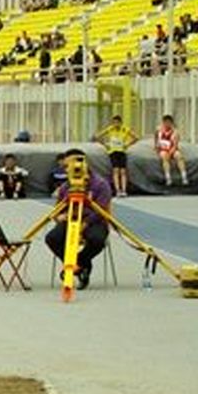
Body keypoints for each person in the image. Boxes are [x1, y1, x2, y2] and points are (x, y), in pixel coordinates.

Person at [45, 149, 112, 291]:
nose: (69, 169)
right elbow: (58, 208)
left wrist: (85, 224)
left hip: (94, 221)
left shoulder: (100, 184)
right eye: (66, 166)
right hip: (71, 219)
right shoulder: (66, 187)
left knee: (97, 240)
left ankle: (79, 263)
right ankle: (79, 267)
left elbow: (101, 210)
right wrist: (58, 217)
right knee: (52, 238)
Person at [96, 114, 137, 197]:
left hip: (122, 151)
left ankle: (124, 190)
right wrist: (105, 144)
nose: (116, 124)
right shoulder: (110, 129)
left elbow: (136, 137)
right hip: (113, 151)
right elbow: (97, 136)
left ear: (121, 123)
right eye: (114, 123)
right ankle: (118, 190)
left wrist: (127, 144)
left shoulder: (125, 130)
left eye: (118, 123)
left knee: (123, 171)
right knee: (116, 170)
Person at [154, 114, 188, 187]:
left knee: (179, 156)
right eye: (165, 122)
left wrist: (171, 152)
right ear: (163, 122)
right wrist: (156, 145)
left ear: (171, 123)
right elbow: (156, 138)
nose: (167, 124)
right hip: (163, 149)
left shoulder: (175, 132)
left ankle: (184, 177)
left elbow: (175, 144)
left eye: (169, 123)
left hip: (172, 148)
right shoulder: (158, 130)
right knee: (164, 157)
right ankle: (168, 178)